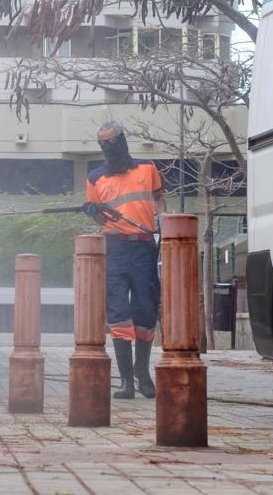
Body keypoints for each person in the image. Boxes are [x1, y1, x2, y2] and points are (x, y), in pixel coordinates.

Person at [84, 121, 166, 399]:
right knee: (118, 313)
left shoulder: (147, 168)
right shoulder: (95, 178)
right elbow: (99, 217)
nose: (108, 148)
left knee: (146, 311)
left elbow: (159, 198)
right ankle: (126, 382)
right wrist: (92, 212)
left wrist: (162, 224)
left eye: (111, 141)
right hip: (114, 249)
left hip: (143, 248)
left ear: (122, 140)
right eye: (102, 144)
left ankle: (142, 373)